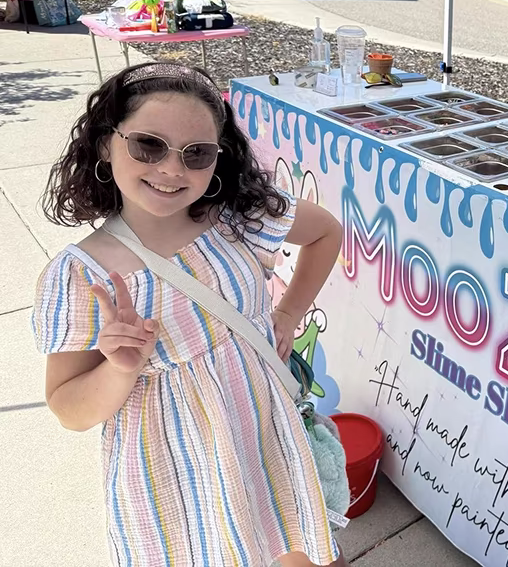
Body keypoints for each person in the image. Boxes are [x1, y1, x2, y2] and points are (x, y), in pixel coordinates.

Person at [33, 62, 347, 567]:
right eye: (148, 145)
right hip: (174, 474)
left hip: (264, 436)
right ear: (103, 145)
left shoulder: (239, 217)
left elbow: (325, 231)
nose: (172, 169)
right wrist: (119, 367)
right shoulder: (78, 275)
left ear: (218, 161)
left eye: (196, 153)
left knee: (301, 552)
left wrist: (288, 313)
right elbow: (69, 410)